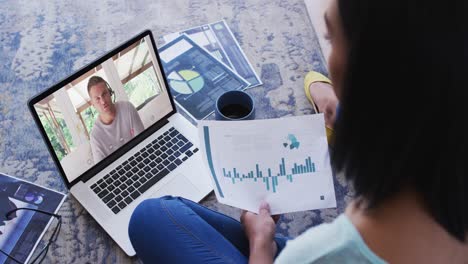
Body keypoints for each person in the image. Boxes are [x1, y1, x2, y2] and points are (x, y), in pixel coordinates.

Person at [128, 0, 468, 262]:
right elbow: (313, 79)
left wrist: (262, 247)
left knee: (149, 218)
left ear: (369, 74)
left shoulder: (318, 254)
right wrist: (331, 96)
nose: (328, 56)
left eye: (330, 39)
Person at [87, 76, 144, 163]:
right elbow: (103, 170)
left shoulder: (127, 108)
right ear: (93, 104)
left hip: (140, 158)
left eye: (104, 94)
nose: (103, 101)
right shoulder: (95, 136)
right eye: (97, 98)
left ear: (110, 93)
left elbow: (143, 141)